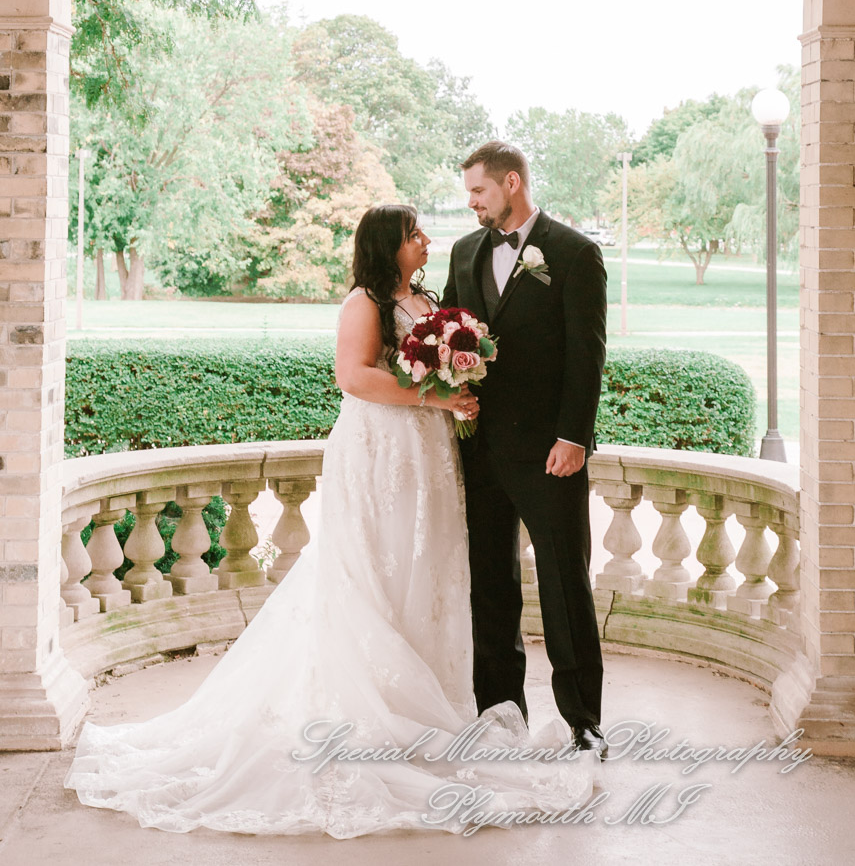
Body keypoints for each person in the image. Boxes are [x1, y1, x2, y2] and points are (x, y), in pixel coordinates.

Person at [64, 203, 594, 837]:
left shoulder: (426, 298)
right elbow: (354, 377)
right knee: (374, 571)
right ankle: (370, 710)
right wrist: (437, 393)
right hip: (381, 453)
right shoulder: (362, 303)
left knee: (427, 573)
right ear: (386, 246)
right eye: (413, 234)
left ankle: (431, 701)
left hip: (429, 453)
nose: (426, 240)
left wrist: (460, 375)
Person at [442, 142, 608, 756]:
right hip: (479, 448)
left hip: (549, 451)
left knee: (565, 583)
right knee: (490, 584)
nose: (471, 202)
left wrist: (574, 437)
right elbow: (449, 335)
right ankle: (498, 712)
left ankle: (583, 720)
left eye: (479, 191)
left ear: (511, 184)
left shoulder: (574, 253)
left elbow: (586, 355)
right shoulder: (463, 253)